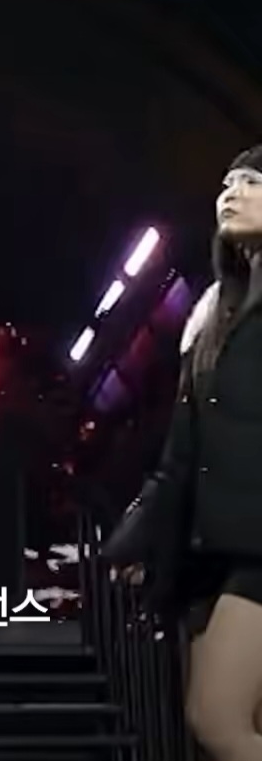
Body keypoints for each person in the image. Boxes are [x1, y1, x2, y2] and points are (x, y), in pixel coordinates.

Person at [104, 146, 262, 761]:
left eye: (252, 182)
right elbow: (182, 450)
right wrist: (141, 536)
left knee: (215, 718)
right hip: (207, 551)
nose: (232, 191)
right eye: (227, 182)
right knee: (231, 724)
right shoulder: (211, 314)